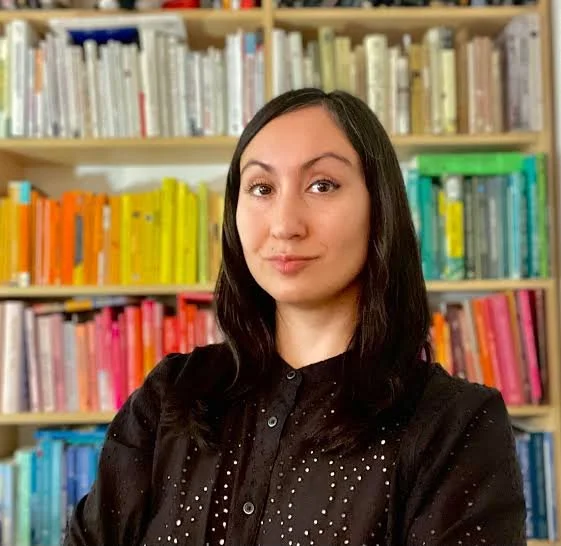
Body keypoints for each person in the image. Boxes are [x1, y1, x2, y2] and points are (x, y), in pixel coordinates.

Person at [64, 88, 526, 546]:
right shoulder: (170, 395)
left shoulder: (456, 424)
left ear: (379, 206)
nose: (285, 225)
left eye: (322, 185)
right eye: (261, 188)